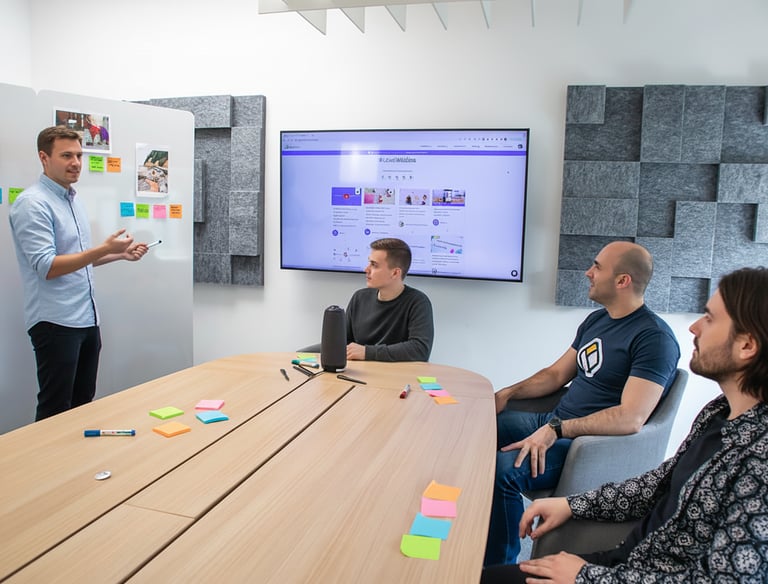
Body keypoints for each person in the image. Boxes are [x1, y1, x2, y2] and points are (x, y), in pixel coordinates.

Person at [482, 266, 768, 583]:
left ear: (747, 345)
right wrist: (572, 505)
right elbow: (658, 484)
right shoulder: (717, 413)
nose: (694, 327)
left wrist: (585, 577)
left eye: (710, 318)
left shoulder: (760, 460)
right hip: (625, 561)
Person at [485, 241, 680, 566]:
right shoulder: (596, 321)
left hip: (586, 446)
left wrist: (557, 430)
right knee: (477, 426)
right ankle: (466, 527)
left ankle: (497, 566)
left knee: (503, 470)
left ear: (623, 280)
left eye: (597, 267)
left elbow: (631, 417)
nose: (588, 272)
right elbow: (555, 375)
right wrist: (507, 393)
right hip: (554, 421)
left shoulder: (654, 339)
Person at [9, 126, 148, 421]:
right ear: (44, 158)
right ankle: (47, 454)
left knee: (83, 404)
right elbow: (47, 266)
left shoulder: (72, 200)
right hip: (55, 321)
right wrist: (102, 249)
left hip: (86, 318)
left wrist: (119, 254)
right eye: (66, 156)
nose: (75, 163)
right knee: (56, 408)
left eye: (79, 155)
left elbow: (77, 259)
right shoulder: (33, 204)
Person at [345, 237, 434, 362]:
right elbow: (342, 343)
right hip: (360, 371)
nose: (366, 269)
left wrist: (368, 352)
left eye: (374, 265)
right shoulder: (359, 298)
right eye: (369, 263)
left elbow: (419, 349)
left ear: (395, 273)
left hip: (398, 373)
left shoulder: (418, 302)